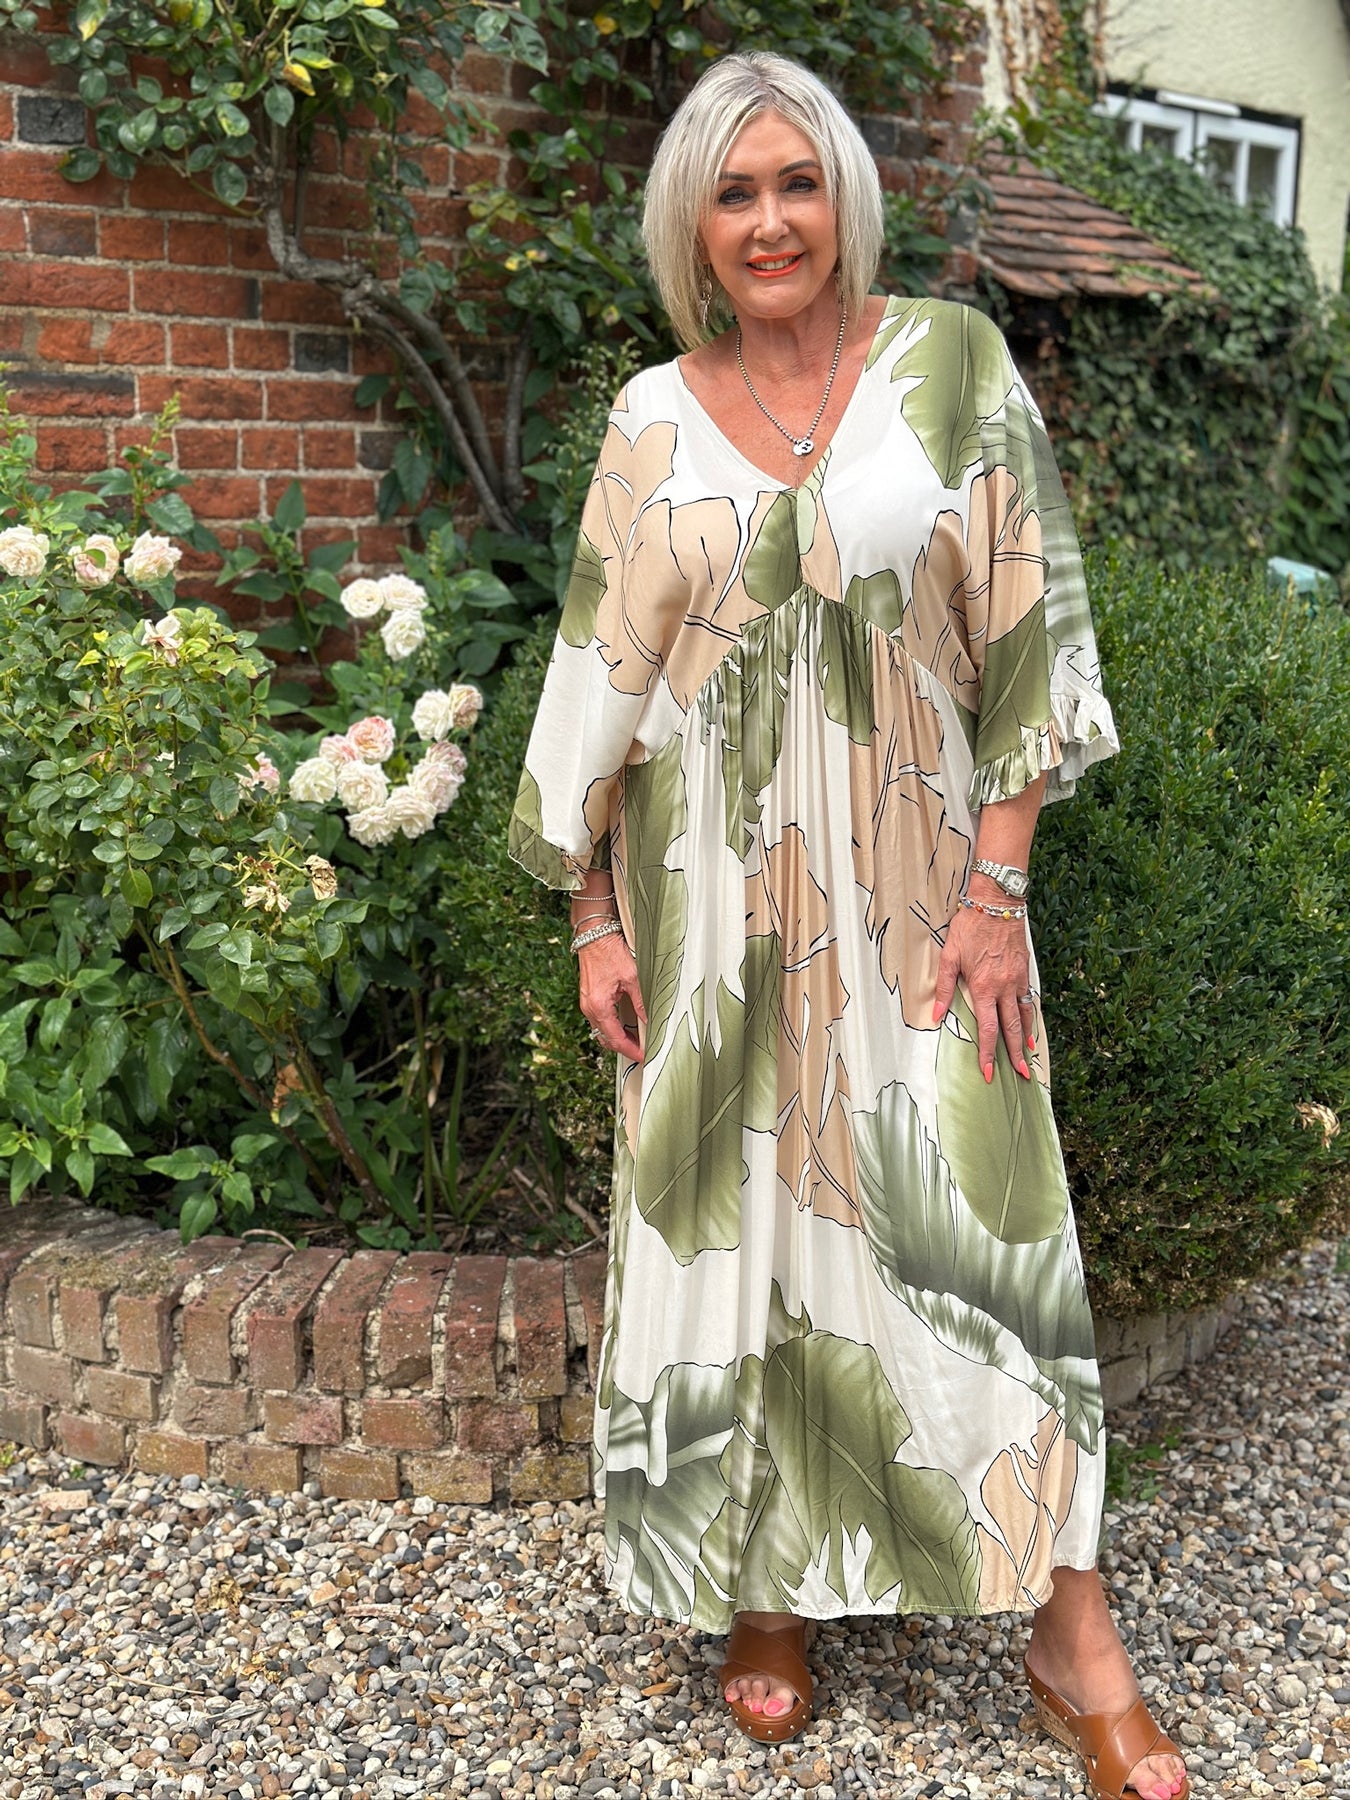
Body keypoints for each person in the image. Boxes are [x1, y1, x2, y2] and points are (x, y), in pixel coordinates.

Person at [507, 49, 1188, 1800]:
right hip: (708, 912)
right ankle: (768, 1587)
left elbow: (1029, 632)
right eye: (731, 195)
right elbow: (598, 678)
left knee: (988, 1232)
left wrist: (997, 891)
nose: (768, 222)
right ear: (690, 228)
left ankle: (1071, 1631)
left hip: (923, 904)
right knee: (737, 1238)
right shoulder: (652, 415)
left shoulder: (948, 365)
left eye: (795, 183)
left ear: (844, 200)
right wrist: (593, 915)